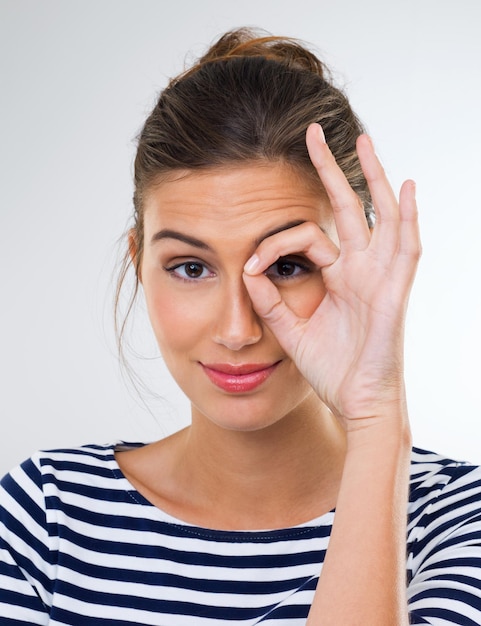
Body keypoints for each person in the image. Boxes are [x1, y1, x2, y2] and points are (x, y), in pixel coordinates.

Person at [1, 27, 480, 626]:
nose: (237, 328)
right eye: (192, 267)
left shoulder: (461, 519)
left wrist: (377, 421)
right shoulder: (47, 518)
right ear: (139, 266)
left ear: (361, 263)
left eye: (287, 265)